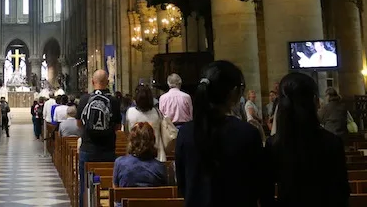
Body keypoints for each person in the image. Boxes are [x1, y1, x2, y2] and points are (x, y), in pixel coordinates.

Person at [175, 60, 269, 207]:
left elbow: (182, 184)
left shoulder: (186, 133)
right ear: (233, 93)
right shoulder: (247, 133)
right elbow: (259, 186)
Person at [266, 72, 349, 206]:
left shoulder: (274, 144)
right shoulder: (332, 142)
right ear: (316, 102)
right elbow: (341, 193)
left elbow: (266, 195)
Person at [76, 70, 121, 207]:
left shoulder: (84, 99)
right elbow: (118, 126)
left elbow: (79, 124)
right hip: (107, 149)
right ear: (107, 82)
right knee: (107, 185)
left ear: (92, 82)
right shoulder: (113, 101)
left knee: (84, 186)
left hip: (88, 149)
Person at [113, 123, 168, 188]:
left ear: (131, 141)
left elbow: (115, 190)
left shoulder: (120, 163)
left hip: (126, 197)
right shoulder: (160, 168)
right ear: (152, 141)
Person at [125, 85, 165, 161]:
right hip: (157, 155)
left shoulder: (130, 112)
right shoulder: (157, 112)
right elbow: (162, 132)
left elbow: (126, 133)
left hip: (135, 155)